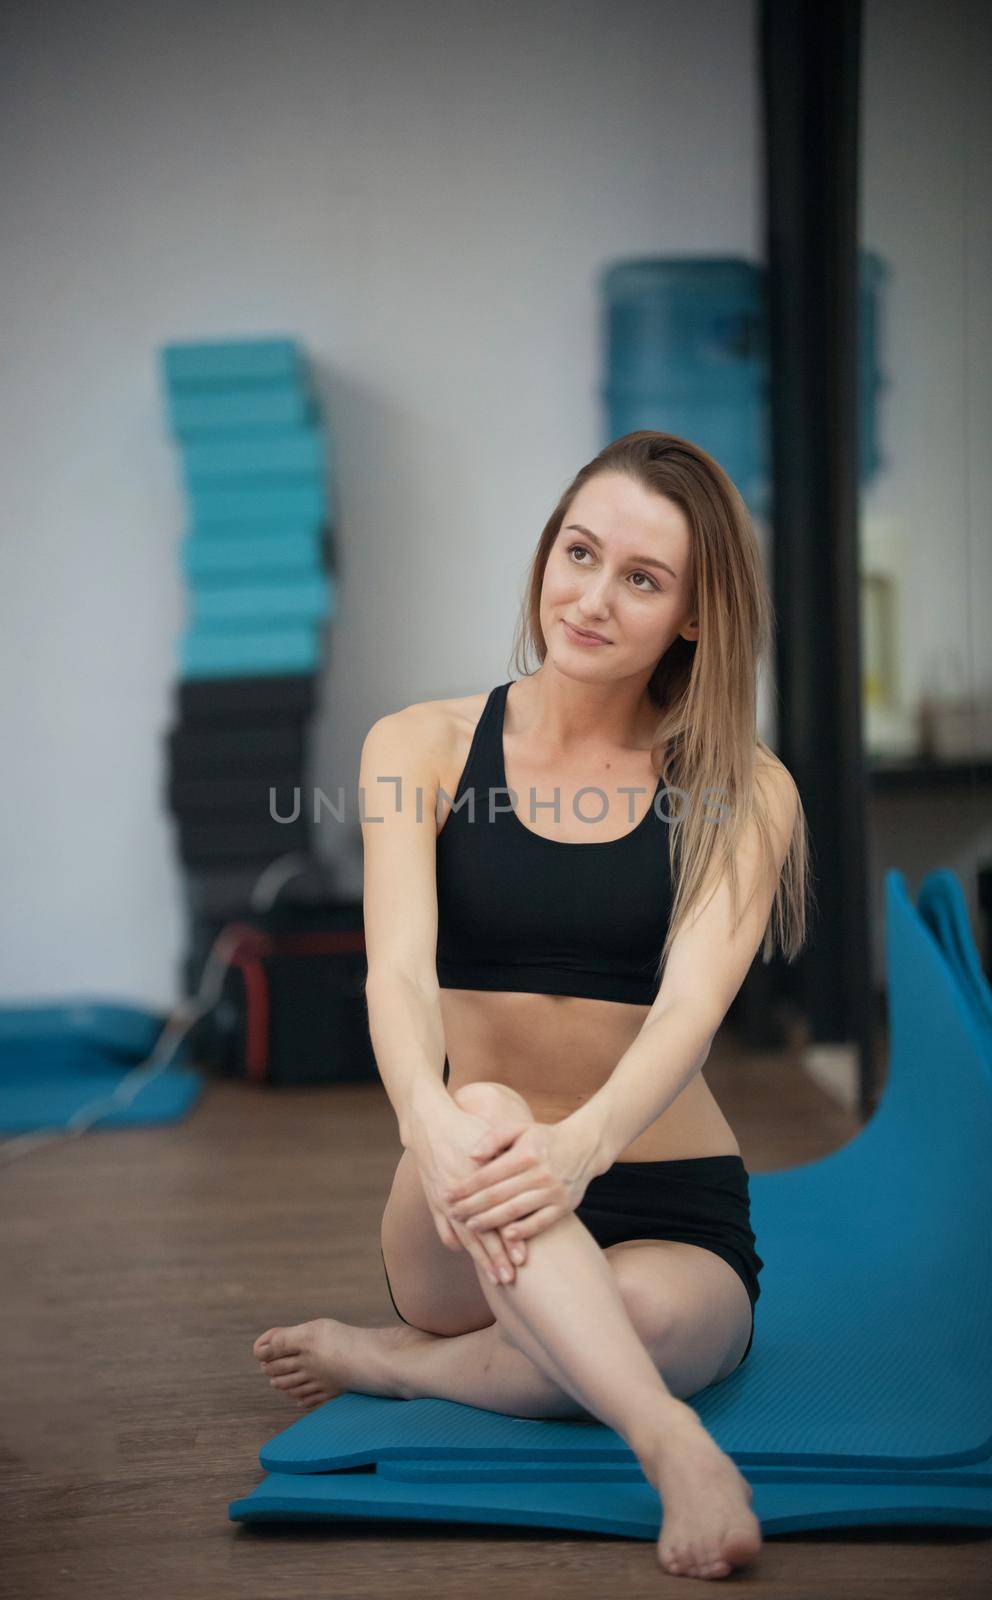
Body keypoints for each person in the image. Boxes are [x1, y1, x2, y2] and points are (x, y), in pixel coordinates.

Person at [253, 431, 812, 1581]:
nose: (592, 598)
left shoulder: (741, 788)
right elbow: (397, 973)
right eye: (579, 552)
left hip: (664, 1194)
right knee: (497, 1107)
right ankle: (671, 1442)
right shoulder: (419, 744)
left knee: (640, 1324)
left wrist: (584, 1148)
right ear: (548, 549)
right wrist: (432, 1122)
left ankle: (399, 1364)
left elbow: (689, 1010)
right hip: (465, 1187)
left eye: (641, 579)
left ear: (691, 616)